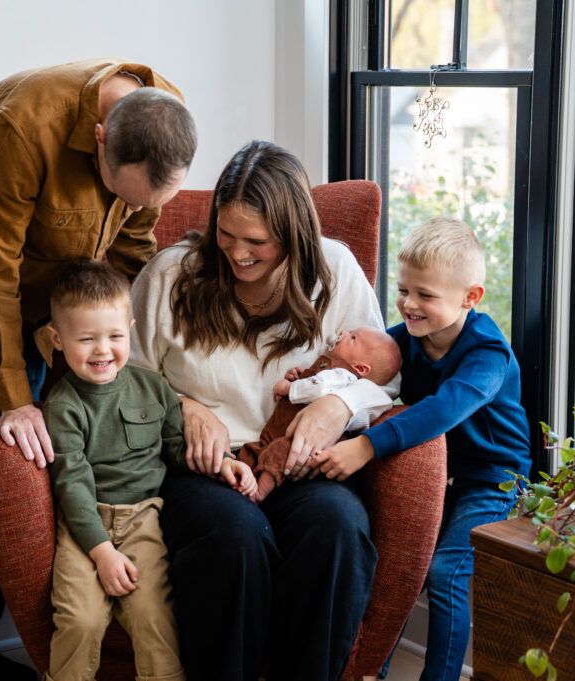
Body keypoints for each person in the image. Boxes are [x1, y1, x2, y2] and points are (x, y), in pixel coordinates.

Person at [0, 58, 197, 681]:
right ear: (101, 138)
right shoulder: (22, 128)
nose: (134, 209)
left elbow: (133, 251)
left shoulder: (163, 117)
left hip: (53, 315)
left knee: (45, 483)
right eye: (125, 196)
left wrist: (119, 345)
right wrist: (16, 399)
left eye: (146, 203)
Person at [129, 139, 397, 681]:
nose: (238, 253)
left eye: (257, 241)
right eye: (226, 234)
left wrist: (339, 404)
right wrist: (182, 405)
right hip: (204, 466)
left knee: (338, 527)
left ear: (294, 235)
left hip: (299, 461)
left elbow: (387, 379)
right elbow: (122, 379)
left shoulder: (336, 270)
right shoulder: (170, 275)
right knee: (235, 536)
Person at [315, 217, 531, 681]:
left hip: (492, 480)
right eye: (403, 290)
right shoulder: (402, 340)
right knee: (399, 564)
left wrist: (366, 447)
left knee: (445, 572)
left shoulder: (487, 354)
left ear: (470, 297)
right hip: (439, 475)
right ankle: (370, 669)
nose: (409, 304)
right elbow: (360, 375)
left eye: (425, 295)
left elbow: (441, 410)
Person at [41, 260, 254, 681]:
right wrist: (102, 552)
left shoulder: (153, 388)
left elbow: (177, 449)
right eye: (86, 339)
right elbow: (72, 485)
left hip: (144, 520)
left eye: (115, 336)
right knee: (81, 620)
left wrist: (224, 464)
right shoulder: (63, 405)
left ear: (131, 330)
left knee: (154, 616)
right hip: (85, 524)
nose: (103, 350)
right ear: (57, 339)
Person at [238, 326, 401, 503]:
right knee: (257, 450)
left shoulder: (343, 375)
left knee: (278, 454)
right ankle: (240, 476)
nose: (343, 333)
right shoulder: (330, 370)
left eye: (353, 338)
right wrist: (299, 376)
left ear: (361, 368)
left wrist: (291, 387)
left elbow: (319, 388)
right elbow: (314, 382)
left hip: (299, 440)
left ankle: (259, 492)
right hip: (281, 432)